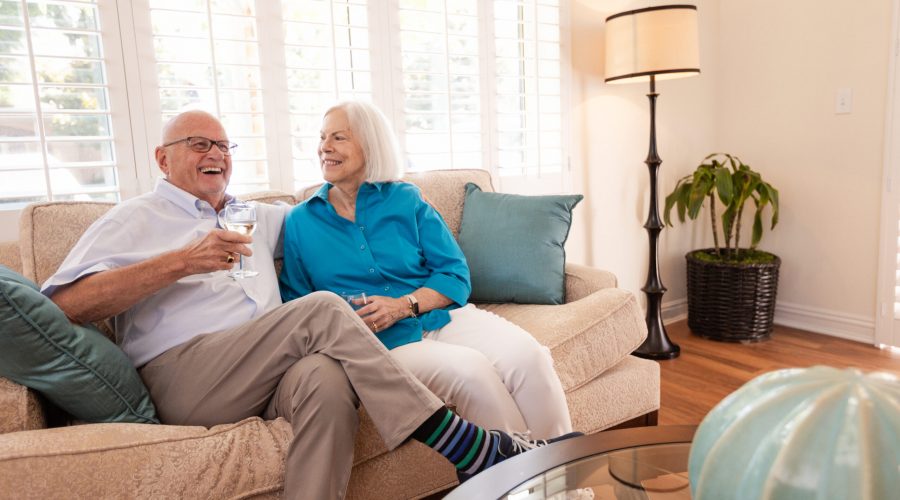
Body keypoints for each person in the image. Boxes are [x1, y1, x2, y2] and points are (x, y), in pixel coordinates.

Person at [42, 110, 575, 499]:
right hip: (186, 374)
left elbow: (326, 219)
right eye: (199, 143)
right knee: (322, 309)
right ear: (162, 158)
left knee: (325, 377)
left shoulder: (262, 215)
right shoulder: (133, 219)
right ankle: (463, 444)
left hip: (266, 370)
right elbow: (64, 306)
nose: (216, 155)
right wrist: (182, 261)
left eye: (225, 146)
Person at [279, 101, 574, 443]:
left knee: (529, 357)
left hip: (437, 316)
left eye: (338, 137)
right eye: (322, 137)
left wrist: (405, 305)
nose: (324, 147)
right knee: (472, 373)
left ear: (370, 145)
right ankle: (518, 488)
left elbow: (454, 273)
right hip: (381, 343)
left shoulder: (405, 198)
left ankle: (564, 484)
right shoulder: (301, 221)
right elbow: (297, 306)